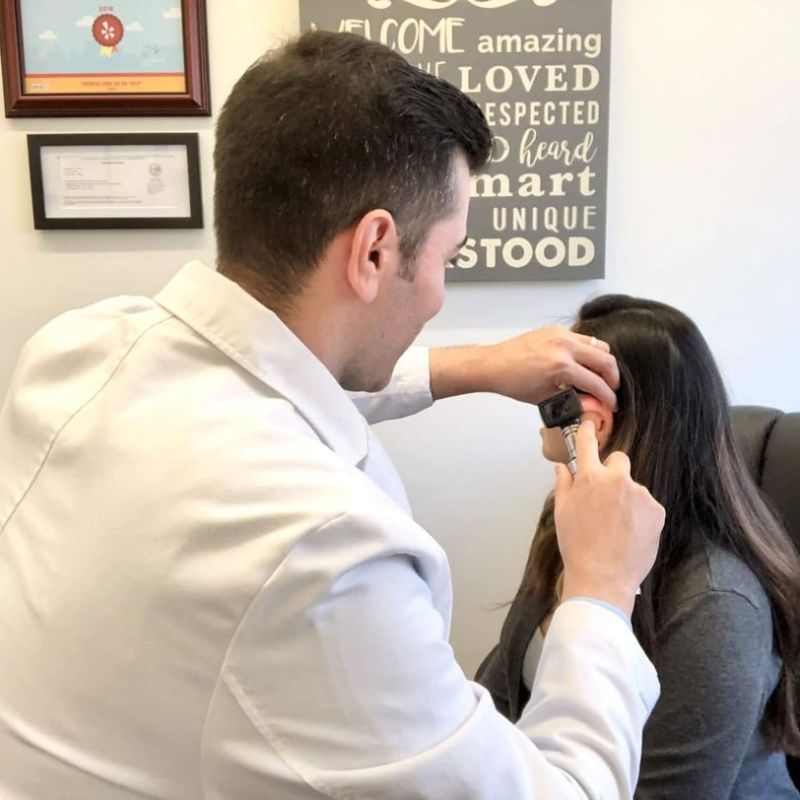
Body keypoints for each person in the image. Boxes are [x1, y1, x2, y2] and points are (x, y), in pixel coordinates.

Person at [0, 32, 665, 799]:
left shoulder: (81, 350)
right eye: (449, 258)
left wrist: (474, 367)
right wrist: (600, 589)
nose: (441, 293)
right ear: (375, 250)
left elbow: (266, 377)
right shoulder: (324, 559)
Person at [476, 295, 800, 799]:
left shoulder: (716, 602)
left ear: (593, 419)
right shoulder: (573, 525)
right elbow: (500, 696)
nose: (537, 408)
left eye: (551, 390)